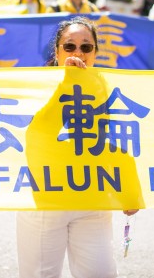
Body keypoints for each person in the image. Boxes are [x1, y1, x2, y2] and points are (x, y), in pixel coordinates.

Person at [16, 17, 138, 278]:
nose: (78, 53)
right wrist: (68, 84)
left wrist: (130, 187)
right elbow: (37, 136)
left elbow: (112, 140)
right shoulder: (38, 84)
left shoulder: (104, 86)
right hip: (45, 199)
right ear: (57, 51)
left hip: (92, 198)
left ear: (95, 52)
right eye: (69, 47)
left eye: (86, 47)